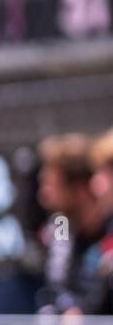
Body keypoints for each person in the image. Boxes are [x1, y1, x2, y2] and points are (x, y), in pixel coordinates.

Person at [35, 133, 110, 315]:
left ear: (78, 187)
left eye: (52, 186)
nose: (44, 197)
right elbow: (57, 294)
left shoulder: (108, 235)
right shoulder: (62, 232)